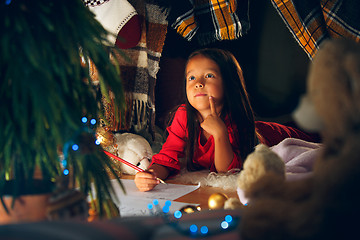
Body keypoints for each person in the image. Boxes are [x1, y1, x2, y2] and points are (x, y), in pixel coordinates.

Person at [135, 48, 315, 191]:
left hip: (271, 135)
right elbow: (168, 156)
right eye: (191, 77)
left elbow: (227, 172)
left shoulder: (235, 118)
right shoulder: (183, 115)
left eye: (209, 76)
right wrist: (151, 173)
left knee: (316, 141)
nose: (198, 82)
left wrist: (220, 133)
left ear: (229, 83)